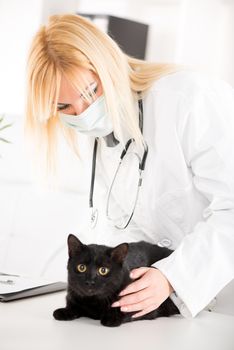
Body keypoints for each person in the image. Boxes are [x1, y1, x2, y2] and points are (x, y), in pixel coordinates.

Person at [25, 13, 234, 319]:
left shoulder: (188, 98)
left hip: (223, 298)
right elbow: (129, 224)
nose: (82, 113)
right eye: (64, 106)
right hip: (167, 311)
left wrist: (174, 276)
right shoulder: (104, 136)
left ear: (108, 67)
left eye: (89, 93)